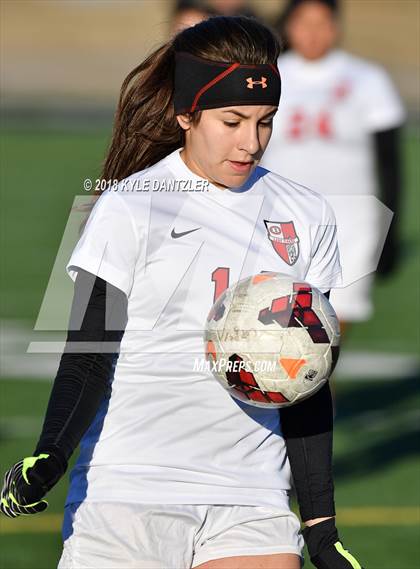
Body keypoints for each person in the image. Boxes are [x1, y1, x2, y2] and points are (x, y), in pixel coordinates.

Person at [0, 15, 364, 569]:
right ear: (186, 115)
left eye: (266, 122)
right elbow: (87, 359)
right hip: (127, 494)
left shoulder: (306, 213)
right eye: (233, 121)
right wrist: (49, 456)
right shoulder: (129, 206)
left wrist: (320, 524)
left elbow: (306, 378)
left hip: (251, 493)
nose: (252, 143)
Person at [261, 0, 405, 330]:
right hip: (281, 216)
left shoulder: (367, 78)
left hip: (352, 218)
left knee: (334, 321)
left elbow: (390, 160)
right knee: (280, 314)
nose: (312, 33)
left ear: (336, 27)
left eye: (322, 23)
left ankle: (319, 380)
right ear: (289, 26)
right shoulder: (268, 75)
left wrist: (390, 230)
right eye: (303, 22)